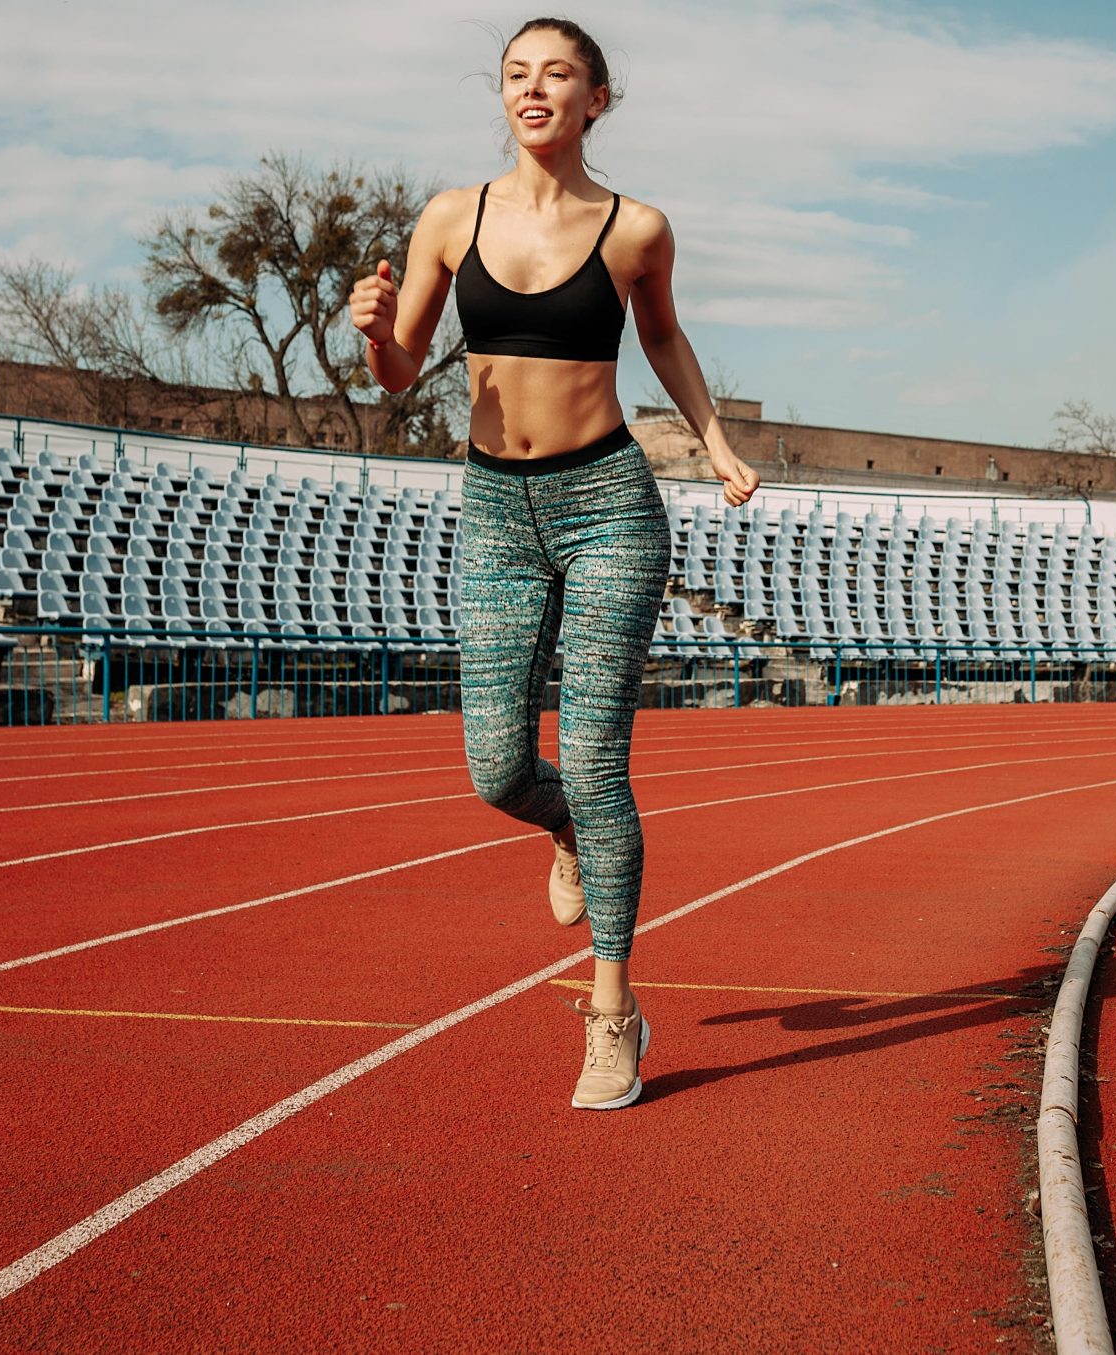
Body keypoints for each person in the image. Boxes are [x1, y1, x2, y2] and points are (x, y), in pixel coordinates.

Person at [350, 16, 760, 1110]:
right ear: (503, 96)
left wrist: (712, 440)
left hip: (606, 506)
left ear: (596, 99)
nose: (534, 90)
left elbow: (663, 339)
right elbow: (398, 373)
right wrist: (374, 330)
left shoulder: (636, 230)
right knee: (495, 769)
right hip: (494, 510)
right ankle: (565, 827)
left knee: (596, 756)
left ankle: (612, 1014)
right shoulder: (452, 216)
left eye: (558, 75)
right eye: (517, 75)